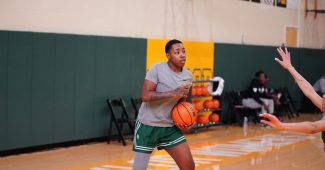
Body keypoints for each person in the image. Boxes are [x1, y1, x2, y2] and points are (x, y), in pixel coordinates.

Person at [132, 39, 195, 170]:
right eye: (177, 52)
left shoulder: (188, 76)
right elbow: (145, 96)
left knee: (188, 166)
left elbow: (182, 102)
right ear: (168, 55)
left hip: (169, 127)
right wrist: (173, 93)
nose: (182, 55)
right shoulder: (157, 69)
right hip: (147, 126)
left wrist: (187, 118)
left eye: (183, 51)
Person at [260, 47, 325, 134]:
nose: (323, 98)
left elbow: (313, 127)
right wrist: (290, 67)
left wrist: (281, 125)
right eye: (323, 97)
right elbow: (310, 92)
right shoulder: (322, 104)